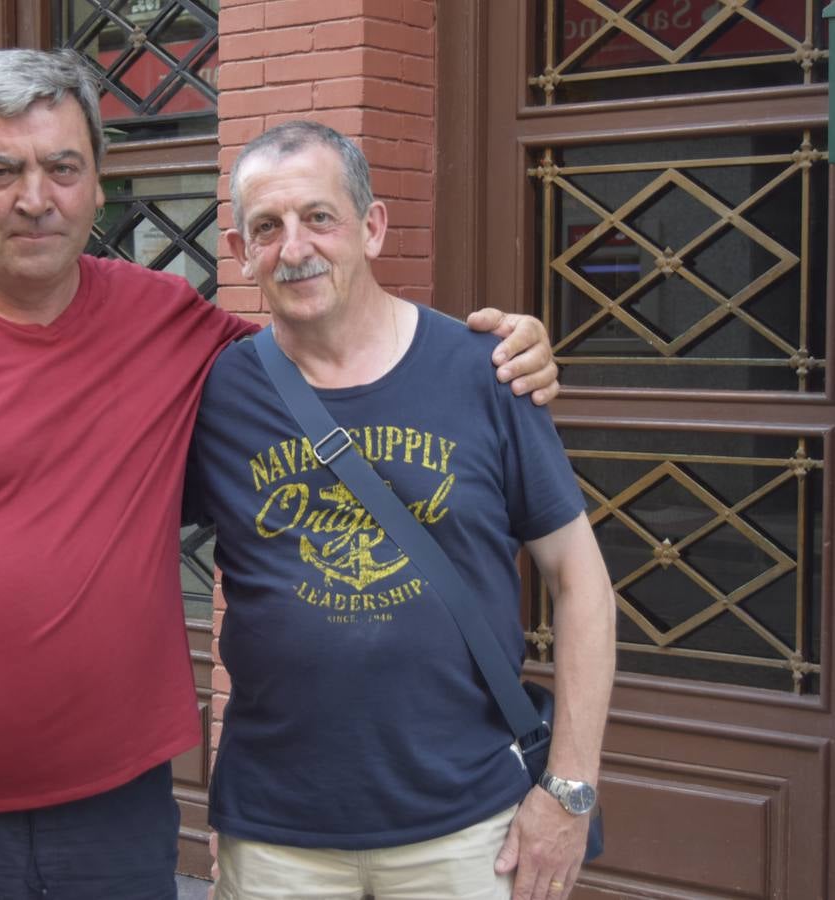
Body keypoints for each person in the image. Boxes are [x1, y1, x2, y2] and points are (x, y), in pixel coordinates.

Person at [0, 50, 563, 900]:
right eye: (1, 170)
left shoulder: (164, 322)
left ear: (96, 184)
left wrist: (488, 351)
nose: (35, 197)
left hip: (115, 813)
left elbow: (332, 346)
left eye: (62, 168)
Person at [184, 121, 616, 900]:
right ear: (241, 250)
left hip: (470, 827)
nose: (295, 247)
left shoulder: (486, 372)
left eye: (320, 217)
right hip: (278, 834)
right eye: (267, 228)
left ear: (372, 227)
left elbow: (581, 582)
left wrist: (571, 789)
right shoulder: (216, 395)